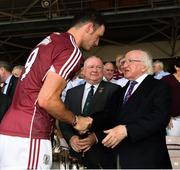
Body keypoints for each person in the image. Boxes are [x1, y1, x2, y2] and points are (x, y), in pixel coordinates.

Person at [0, 9, 105, 169]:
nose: (97, 43)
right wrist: (76, 120)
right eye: (98, 36)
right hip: (30, 131)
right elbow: (47, 99)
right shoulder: (71, 50)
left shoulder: (51, 40)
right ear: (89, 27)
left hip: (12, 129)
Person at [101, 50, 172, 169]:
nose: (124, 65)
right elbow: (108, 115)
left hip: (148, 159)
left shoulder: (159, 87)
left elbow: (160, 118)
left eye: (130, 61)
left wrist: (127, 130)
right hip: (121, 157)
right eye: (124, 62)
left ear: (144, 66)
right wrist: (87, 120)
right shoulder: (120, 91)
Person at [60, 56, 121, 169]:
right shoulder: (71, 92)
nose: (95, 70)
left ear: (103, 70)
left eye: (98, 67)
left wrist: (96, 137)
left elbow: (115, 120)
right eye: (91, 67)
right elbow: (64, 119)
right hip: (76, 154)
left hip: (102, 153)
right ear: (84, 70)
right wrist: (71, 138)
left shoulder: (115, 90)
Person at [162, 57, 180, 136]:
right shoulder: (166, 80)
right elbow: (162, 100)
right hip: (173, 119)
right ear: (176, 67)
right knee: (174, 144)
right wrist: (167, 117)